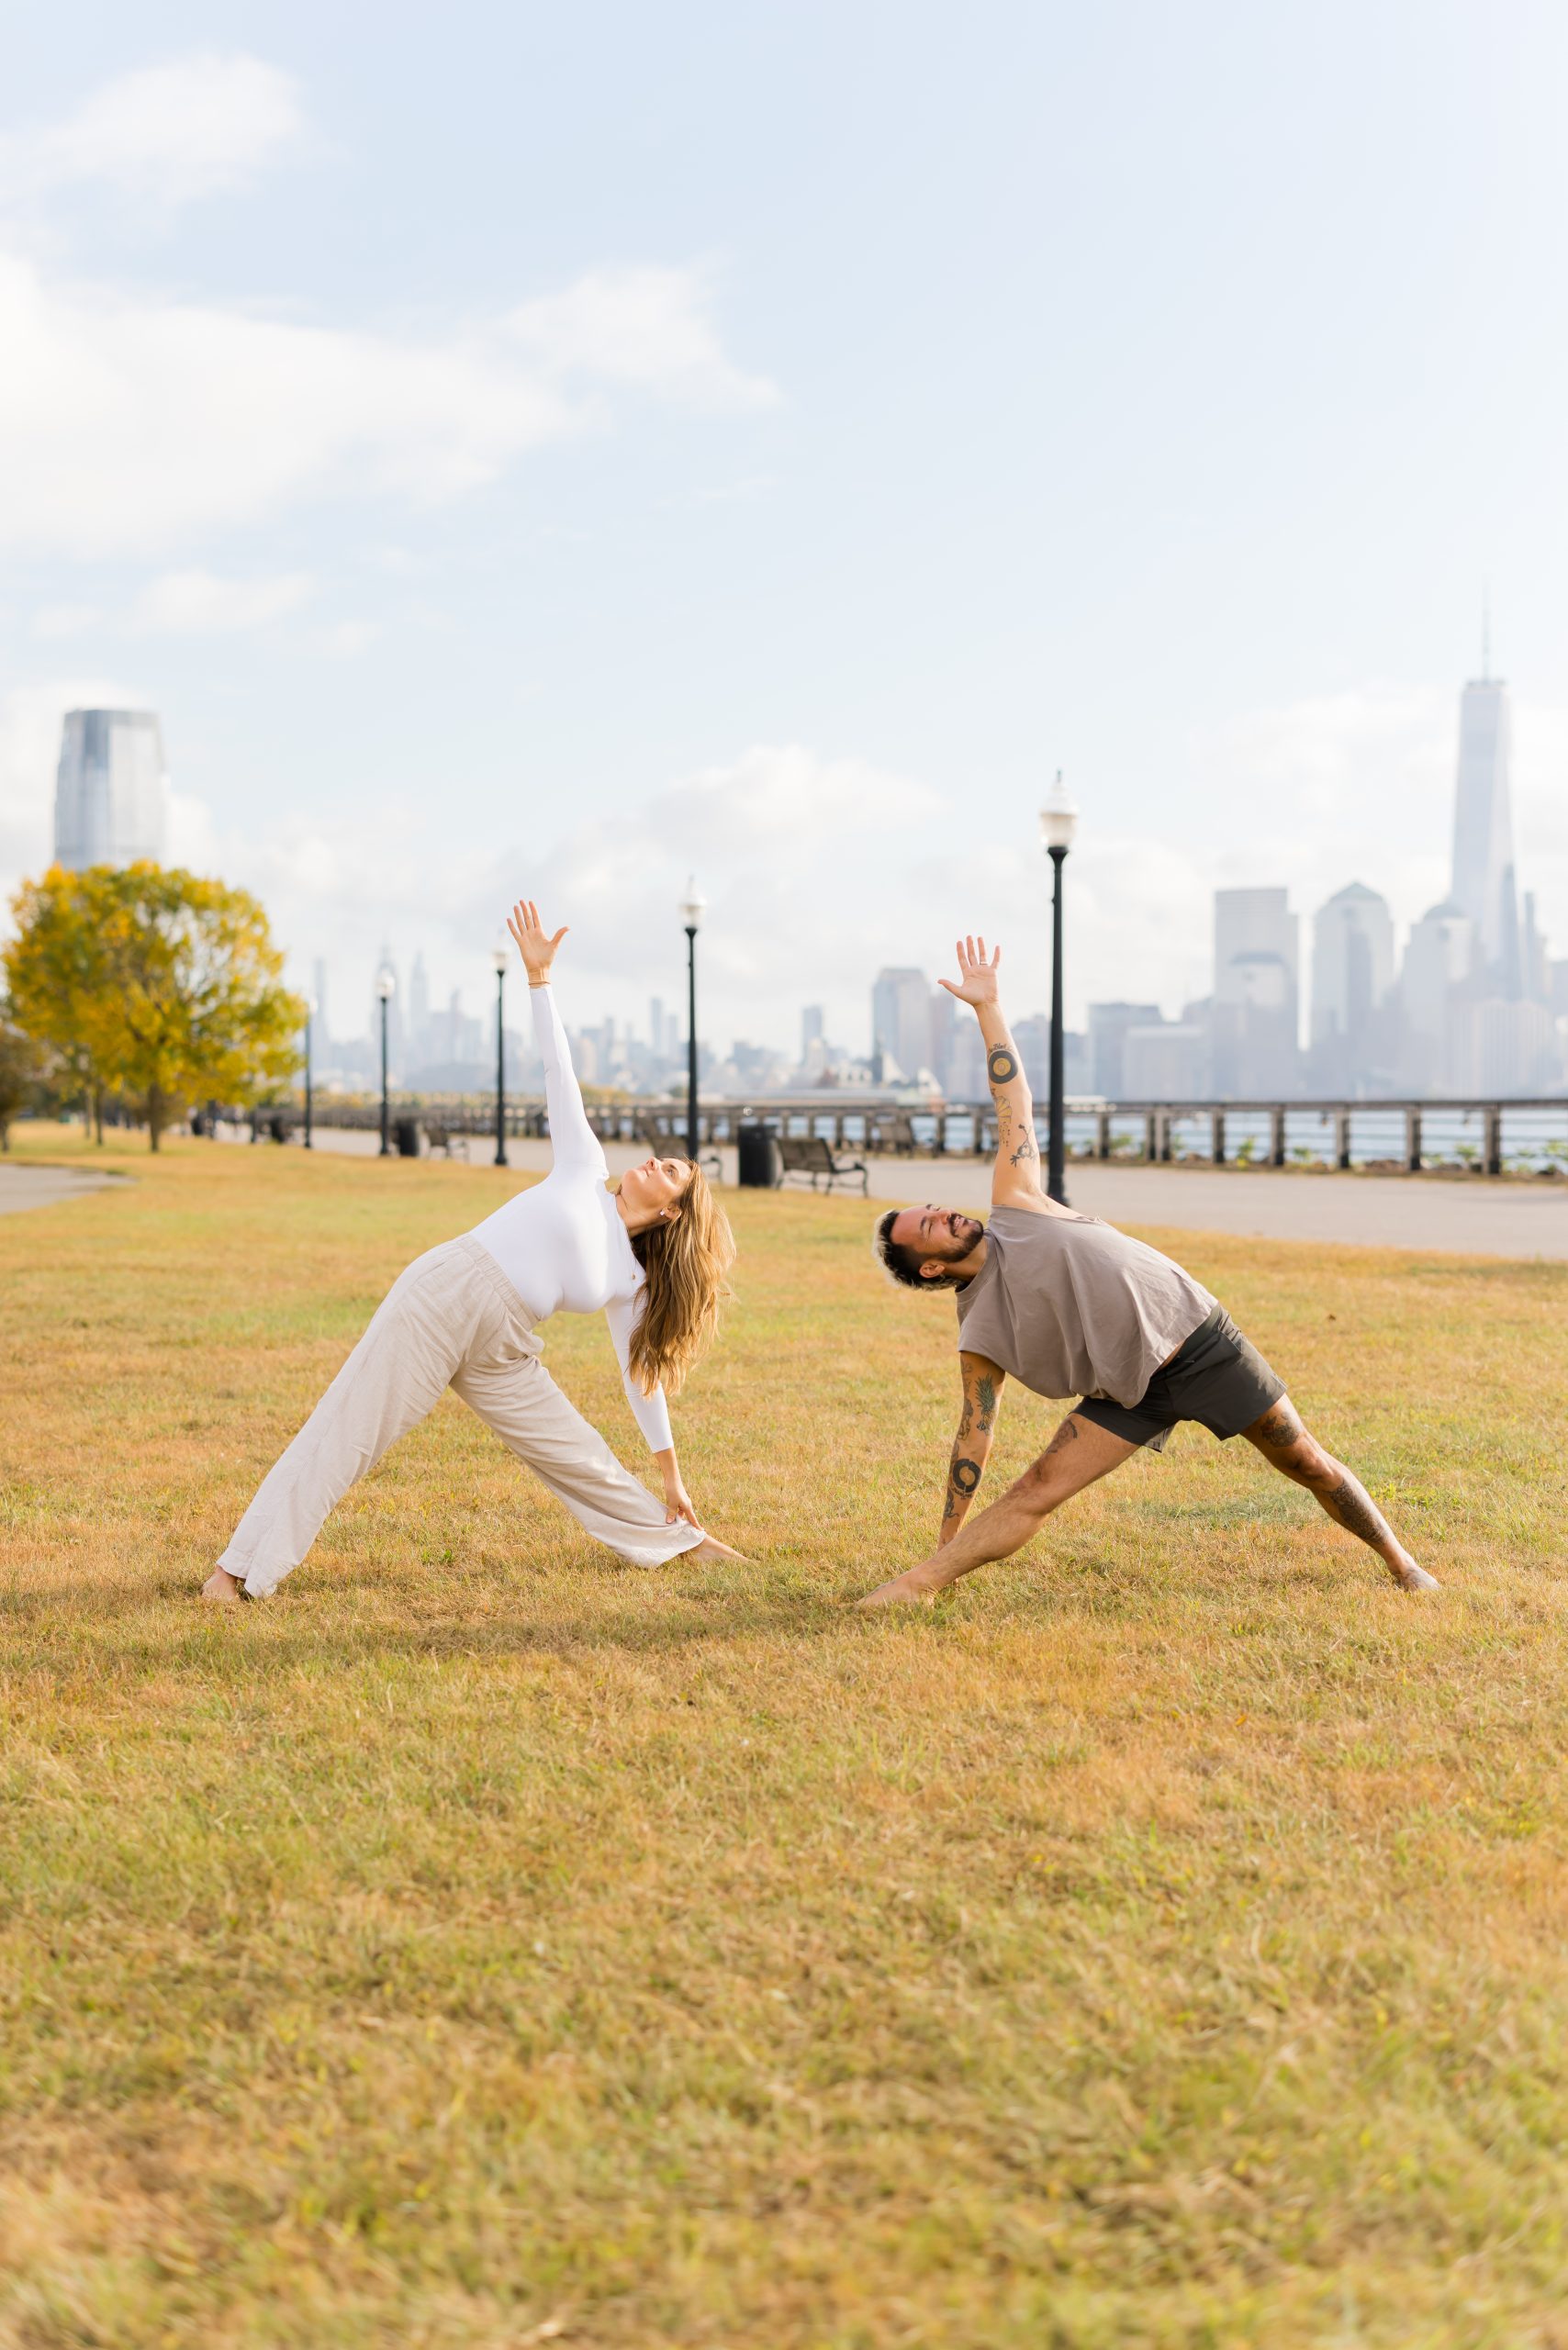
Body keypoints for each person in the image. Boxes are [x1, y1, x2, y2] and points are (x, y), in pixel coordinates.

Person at [858, 934, 1437, 1606]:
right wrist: (947, 1541)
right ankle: (918, 1586)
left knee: (1303, 1459)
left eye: (936, 1208)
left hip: (1197, 1340)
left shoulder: (1016, 1201)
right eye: (930, 1226)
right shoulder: (980, 1329)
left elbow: (1011, 1101)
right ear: (930, 1269)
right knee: (1035, 1490)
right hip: (1126, 1393)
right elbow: (974, 1433)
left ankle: (1403, 1563)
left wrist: (988, 1008)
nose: (947, 1215)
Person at [202, 900, 741, 1602]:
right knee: (347, 1436)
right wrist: (539, 982)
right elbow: (559, 1075)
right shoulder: (584, 1166)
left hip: (504, 1343)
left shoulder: (629, 1278)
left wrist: (672, 1474)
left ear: (671, 1212)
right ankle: (238, 1571)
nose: (655, 1164)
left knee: (579, 1455)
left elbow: (643, 1380)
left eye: (671, 1172)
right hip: (450, 1293)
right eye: (662, 1158)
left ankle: (683, 1544)